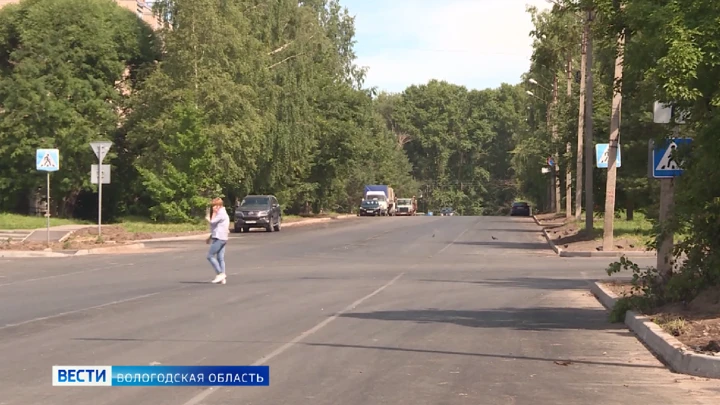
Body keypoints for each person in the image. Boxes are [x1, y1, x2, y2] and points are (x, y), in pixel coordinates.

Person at [205, 197, 229, 284]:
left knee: (210, 256)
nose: (213, 207)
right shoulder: (222, 212)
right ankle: (222, 278)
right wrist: (210, 237)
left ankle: (220, 273)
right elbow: (216, 227)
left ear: (219, 205)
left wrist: (213, 214)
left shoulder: (221, 213)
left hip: (219, 238)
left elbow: (212, 222)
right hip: (221, 237)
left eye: (214, 206)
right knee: (220, 258)